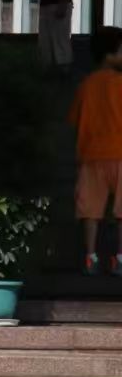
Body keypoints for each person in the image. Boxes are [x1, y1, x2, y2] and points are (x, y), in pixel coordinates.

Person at [70, 26, 122, 275]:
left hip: (91, 155)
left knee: (90, 210)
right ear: (110, 54)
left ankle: (90, 256)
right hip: (120, 153)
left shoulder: (86, 85)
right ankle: (119, 258)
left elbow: (75, 119)